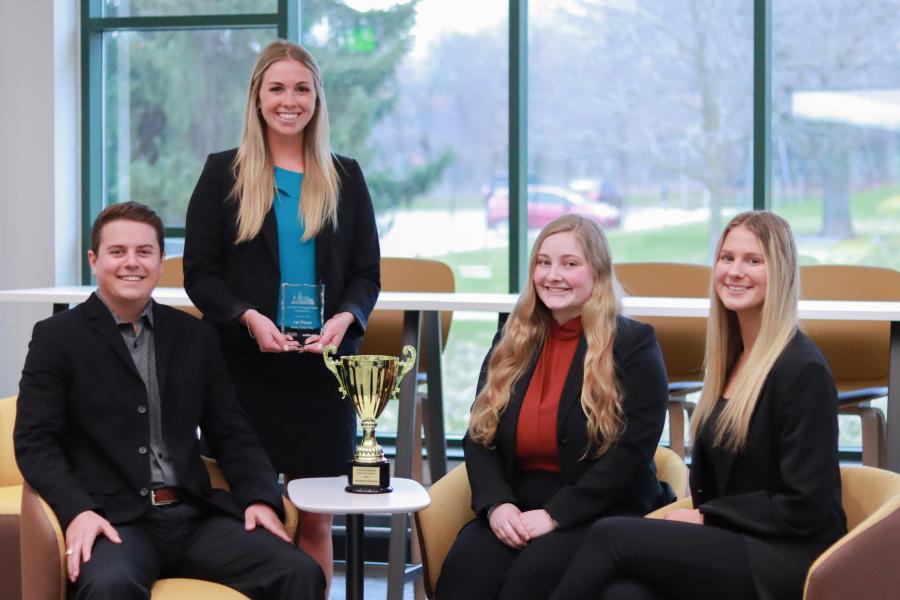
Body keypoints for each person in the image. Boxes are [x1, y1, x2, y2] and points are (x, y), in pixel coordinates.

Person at [14, 202, 324, 599]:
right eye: (117, 252)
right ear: (94, 260)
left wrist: (260, 498)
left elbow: (231, 430)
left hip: (194, 516)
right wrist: (77, 510)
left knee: (298, 572)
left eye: (145, 252)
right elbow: (35, 441)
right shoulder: (57, 337)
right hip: (114, 521)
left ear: (161, 261)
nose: (132, 263)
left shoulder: (194, 336)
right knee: (109, 586)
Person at [550, 211, 847, 600]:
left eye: (753, 261)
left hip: (785, 557)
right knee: (624, 594)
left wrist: (709, 516)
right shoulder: (734, 359)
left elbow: (807, 504)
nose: (735, 271)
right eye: (727, 258)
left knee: (611, 535)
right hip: (734, 540)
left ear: (781, 272)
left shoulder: (801, 369)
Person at [183, 40, 380, 590]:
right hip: (244, 371)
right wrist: (246, 315)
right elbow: (198, 272)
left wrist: (346, 318)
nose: (288, 100)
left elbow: (367, 273)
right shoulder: (223, 172)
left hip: (322, 371)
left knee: (317, 516)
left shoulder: (346, 175)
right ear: (257, 97)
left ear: (317, 98)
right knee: (256, 513)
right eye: (277, 88)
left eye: (301, 88)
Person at [436, 215, 673, 600]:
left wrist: (554, 515)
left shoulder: (633, 344)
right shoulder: (512, 340)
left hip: (603, 510)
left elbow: (631, 454)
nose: (553, 275)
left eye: (570, 264)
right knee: (465, 573)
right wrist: (497, 506)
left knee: (528, 581)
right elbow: (480, 438)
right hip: (517, 503)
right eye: (543, 262)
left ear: (597, 272)